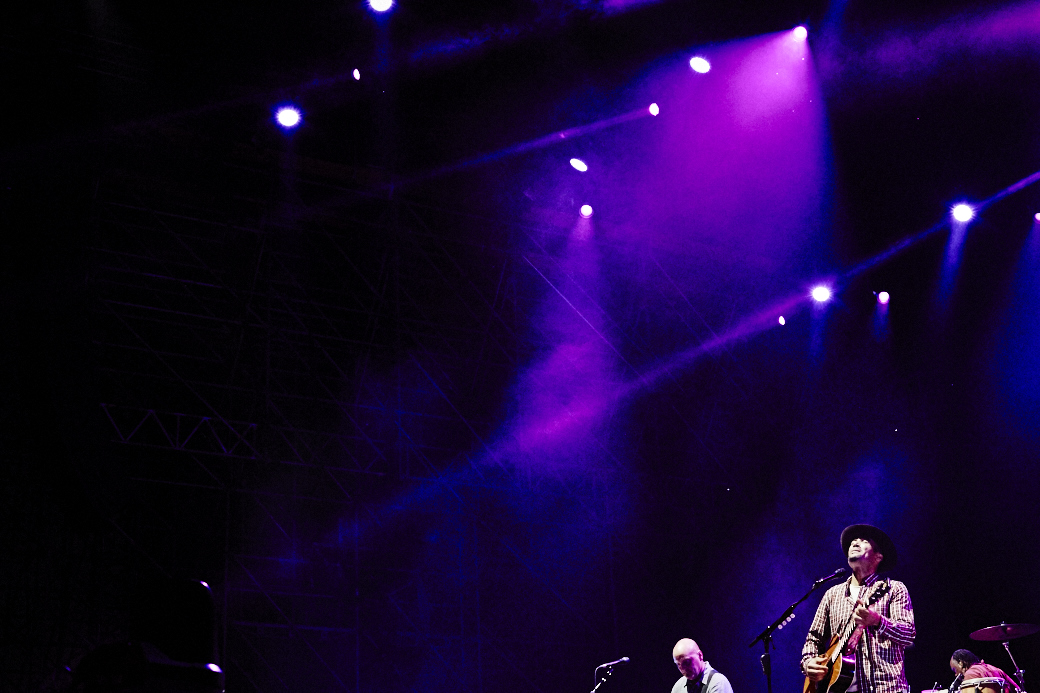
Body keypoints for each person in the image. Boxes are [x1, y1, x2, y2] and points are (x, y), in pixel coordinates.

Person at [800, 524, 916, 693]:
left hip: (886, 688)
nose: (855, 542)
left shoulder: (893, 588)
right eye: (853, 541)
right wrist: (808, 662)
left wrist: (877, 621)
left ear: (878, 556)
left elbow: (908, 634)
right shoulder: (832, 594)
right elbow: (813, 638)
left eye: (864, 541)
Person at [949, 649, 1020, 692]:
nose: (955, 674)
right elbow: (1017, 689)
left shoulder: (970, 674)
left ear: (961, 663)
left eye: (954, 669)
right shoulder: (996, 669)